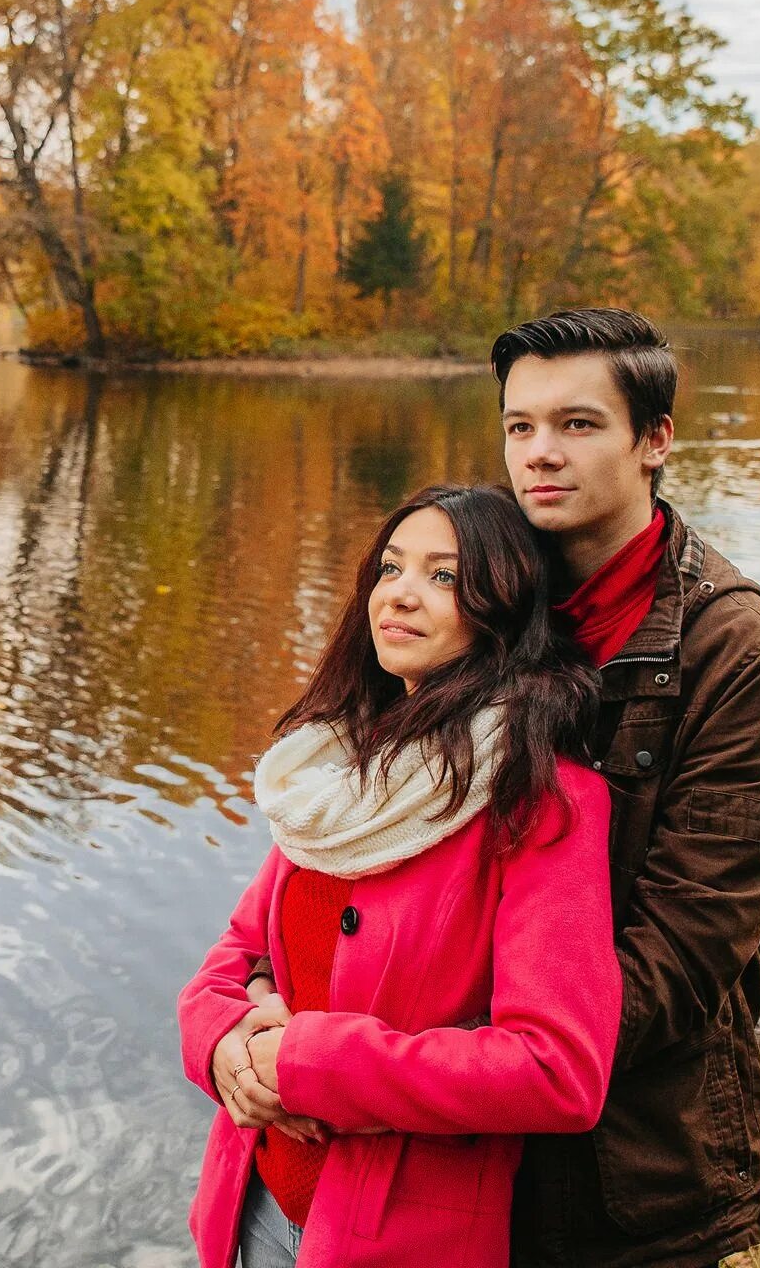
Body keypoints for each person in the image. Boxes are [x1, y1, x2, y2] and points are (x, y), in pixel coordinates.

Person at [216, 309, 760, 1268]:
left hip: (623, 1171)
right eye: (519, 426)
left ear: (656, 438)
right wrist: (269, 1007)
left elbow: (685, 954)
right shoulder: (488, 590)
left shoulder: (739, 659)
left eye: (578, 425)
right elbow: (366, 849)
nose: (540, 453)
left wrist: (387, 1065)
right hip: (426, 1160)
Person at [177, 483, 622, 1268]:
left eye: (443, 578)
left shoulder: (541, 801)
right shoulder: (344, 771)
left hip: (394, 1233)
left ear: (503, 608)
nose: (402, 596)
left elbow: (559, 1069)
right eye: (391, 568)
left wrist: (317, 1063)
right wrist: (224, 1050)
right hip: (255, 1199)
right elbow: (234, 958)